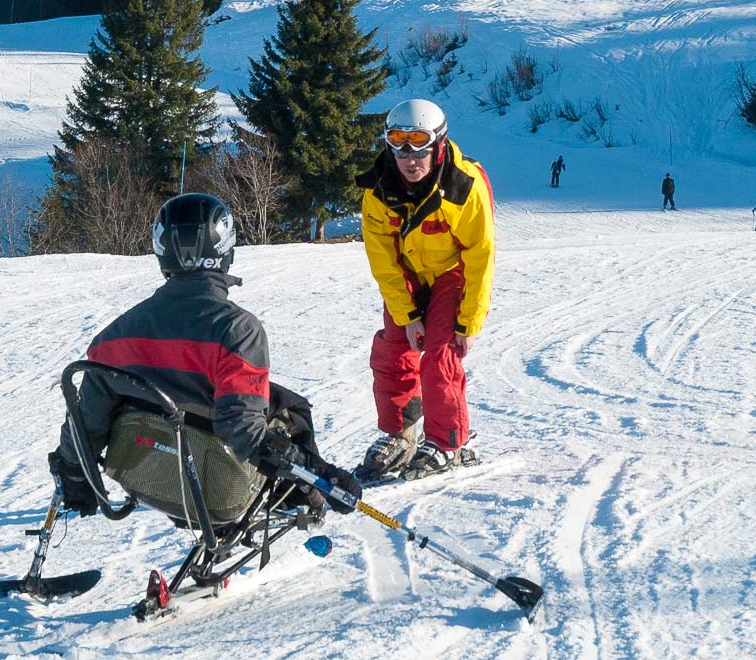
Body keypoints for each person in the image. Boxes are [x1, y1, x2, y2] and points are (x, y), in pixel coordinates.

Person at [49, 193, 361, 518]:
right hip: (218, 494)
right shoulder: (238, 330)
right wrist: (322, 476)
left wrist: (73, 473)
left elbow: (86, 422)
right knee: (290, 409)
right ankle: (301, 500)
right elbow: (242, 429)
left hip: (142, 477)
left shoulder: (114, 337)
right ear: (226, 248)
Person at [354, 99, 496, 480]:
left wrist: (468, 323)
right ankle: (401, 434)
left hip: (454, 271)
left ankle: (448, 441)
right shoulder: (378, 190)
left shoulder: (464, 188)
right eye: (398, 144)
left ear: (437, 145)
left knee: (440, 352)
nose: (409, 157)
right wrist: (408, 316)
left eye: (418, 144)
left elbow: (480, 256)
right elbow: (383, 260)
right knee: (392, 348)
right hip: (409, 273)